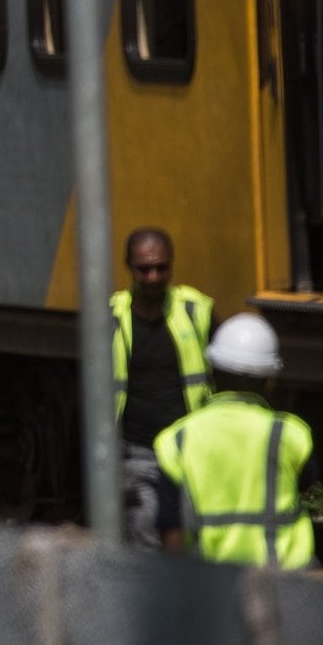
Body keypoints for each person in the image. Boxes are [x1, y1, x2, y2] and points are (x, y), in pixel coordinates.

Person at [152, 313, 315, 568]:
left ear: (213, 373)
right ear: (269, 381)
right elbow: (308, 480)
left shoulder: (178, 439)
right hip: (283, 581)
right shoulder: (288, 433)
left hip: (210, 584)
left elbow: (170, 526)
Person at [112, 227, 215, 547]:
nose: (154, 277)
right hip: (140, 452)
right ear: (128, 267)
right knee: (146, 532)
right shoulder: (112, 319)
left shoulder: (195, 310)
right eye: (144, 269)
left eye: (161, 268)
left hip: (190, 450)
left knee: (194, 535)